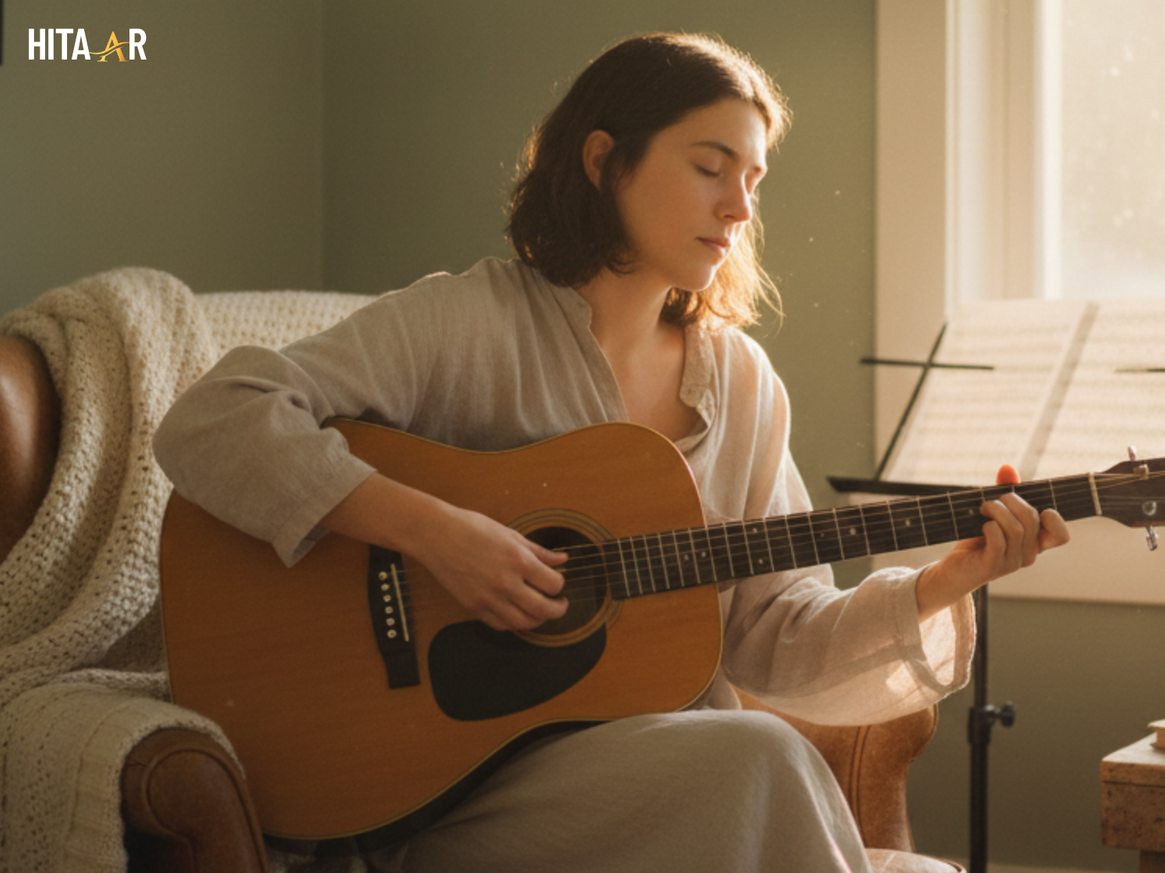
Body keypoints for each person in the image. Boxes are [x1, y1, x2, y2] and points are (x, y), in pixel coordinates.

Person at [154, 31, 1069, 873]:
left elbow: (775, 632)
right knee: (760, 753)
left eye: (753, 178)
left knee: (753, 755)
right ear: (605, 161)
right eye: (712, 167)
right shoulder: (470, 321)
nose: (740, 205)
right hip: (452, 794)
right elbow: (213, 418)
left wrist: (946, 580)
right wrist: (437, 534)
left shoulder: (740, 382)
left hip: (668, 770)